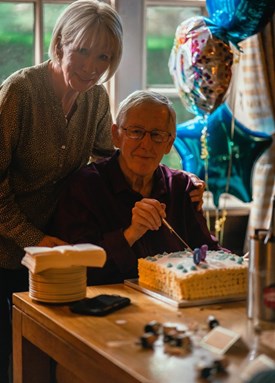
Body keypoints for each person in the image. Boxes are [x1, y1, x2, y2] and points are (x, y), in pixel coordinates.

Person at [0, 1, 123, 383]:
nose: (91, 66)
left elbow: (108, 167)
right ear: (61, 43)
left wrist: (174, 180)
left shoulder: (96, 100)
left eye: (103, 56)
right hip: (6, 253)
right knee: (9, 374)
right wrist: (33, 239)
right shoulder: (20, 91)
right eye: (83, 51)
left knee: (48, 372)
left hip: (56, 255)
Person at [50, 90, 219, 286]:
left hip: (173, 305)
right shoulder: (86, 187)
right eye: (136, 132)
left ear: (169, 143)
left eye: (157, 135)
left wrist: (244, 264)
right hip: (105, 307)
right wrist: (131, 233)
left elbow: (208, 251)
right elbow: (75, 268)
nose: (146, 144)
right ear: (116, 136)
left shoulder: (181, 187)